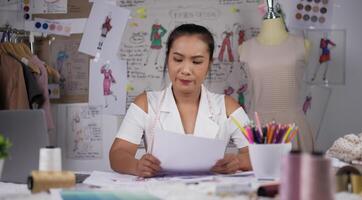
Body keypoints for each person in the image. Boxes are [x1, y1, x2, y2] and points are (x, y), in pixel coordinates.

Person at [110, 24, 252, 177]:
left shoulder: (227, 106)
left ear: (209, 64)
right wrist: (137, 165)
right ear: (168, 58)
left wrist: (238, 161)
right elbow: (118, 154)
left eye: (196, 62)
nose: (185, 70)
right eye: (177, 59)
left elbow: (257, 154)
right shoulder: (146, 103)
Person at [239, 3, 315, 152]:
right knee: (255, 173)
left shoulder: (302, 44)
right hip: (258, 126)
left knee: (298, 174)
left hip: (294, 127)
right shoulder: (245, 48)